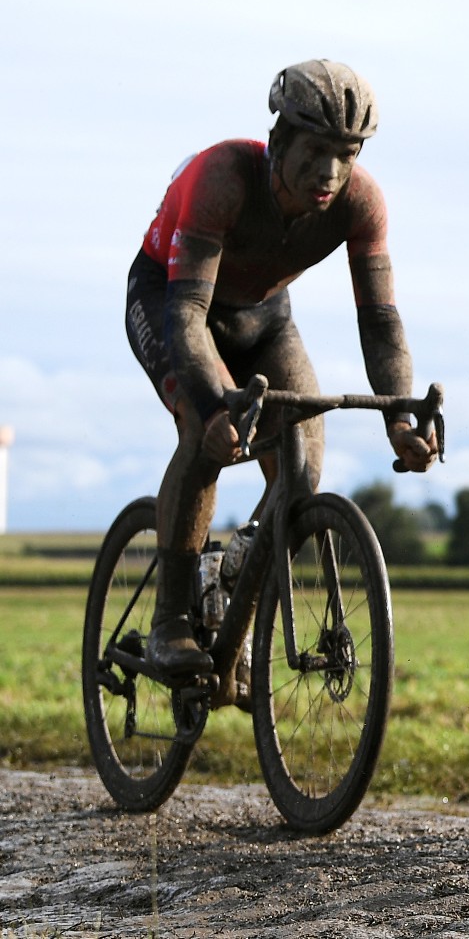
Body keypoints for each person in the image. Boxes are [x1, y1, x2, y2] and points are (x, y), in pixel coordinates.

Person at [125, 59, 438, 682]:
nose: (329, 172)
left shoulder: (361, 203)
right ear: (278, 140)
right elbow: (187, 317)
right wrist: (212, 407)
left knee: (303, 469)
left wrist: (400, 419)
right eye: (315, 151)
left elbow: (380, 322)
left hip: (264, 318)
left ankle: (235, 594)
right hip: (172, 300)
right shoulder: (222, 178)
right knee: (205, 435)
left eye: (346, 154)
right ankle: (170, 623)